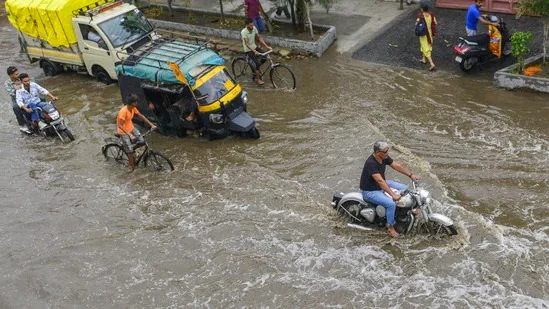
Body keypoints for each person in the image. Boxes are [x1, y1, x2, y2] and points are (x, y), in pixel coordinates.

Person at [359, 141, 421, 238]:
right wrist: (393, 195)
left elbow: (397, 166)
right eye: (385, 151)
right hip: (370, 191)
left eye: (387, 151)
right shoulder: (371, 163)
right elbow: (380, 181)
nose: (387, 153)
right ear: (377, 152)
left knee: (405, 188)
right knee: (390, 204)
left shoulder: (384, 157)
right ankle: (390, 227)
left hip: (380, 185)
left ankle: (407, 211)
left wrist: (411, 175)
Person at [117, 94, 157, 169]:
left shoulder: (133, 108)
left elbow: (141, 116)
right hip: (123, 132)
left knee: (142, 141)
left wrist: (151, 125)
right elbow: (120, 125)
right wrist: (130, 135)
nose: (137, 103)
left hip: (131, 128)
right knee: (129, 150)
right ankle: (132, 166)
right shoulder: (123, 112)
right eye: (136, 102)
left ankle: (133, 150)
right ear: (132, 103)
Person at [242, 18, 272, 85]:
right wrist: (254, 51)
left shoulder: (254, 28)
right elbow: (246, 44)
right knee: (257, 64)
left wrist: (267, 46)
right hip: (248, 50)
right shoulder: (244, 32)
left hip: (254, 46)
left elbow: (259, 37)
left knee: (265, 57)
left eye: (252, 25)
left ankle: (256, 69)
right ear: (247, 25)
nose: (252, 26)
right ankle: (257, 79)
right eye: (250, 25)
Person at [4, 66, 30, 133]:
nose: (18, 75)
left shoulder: (21, 78)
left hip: (25, 95)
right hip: (16, 98)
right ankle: (22, 125)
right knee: (15, 107)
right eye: (16, 74)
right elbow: (11, 93)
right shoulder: (7, 83)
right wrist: (16, 89)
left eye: (18, 73)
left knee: (41, 98)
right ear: (11, 75)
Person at [416, 3, 437, 71]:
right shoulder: (431, 14)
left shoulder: (420, 16)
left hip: (423, 35)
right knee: (425, 45)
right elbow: (435, 22)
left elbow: (416, 24)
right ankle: (423, 59)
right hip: (430, 34)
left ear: (422, 9)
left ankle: (432, 64)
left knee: (425, 48)